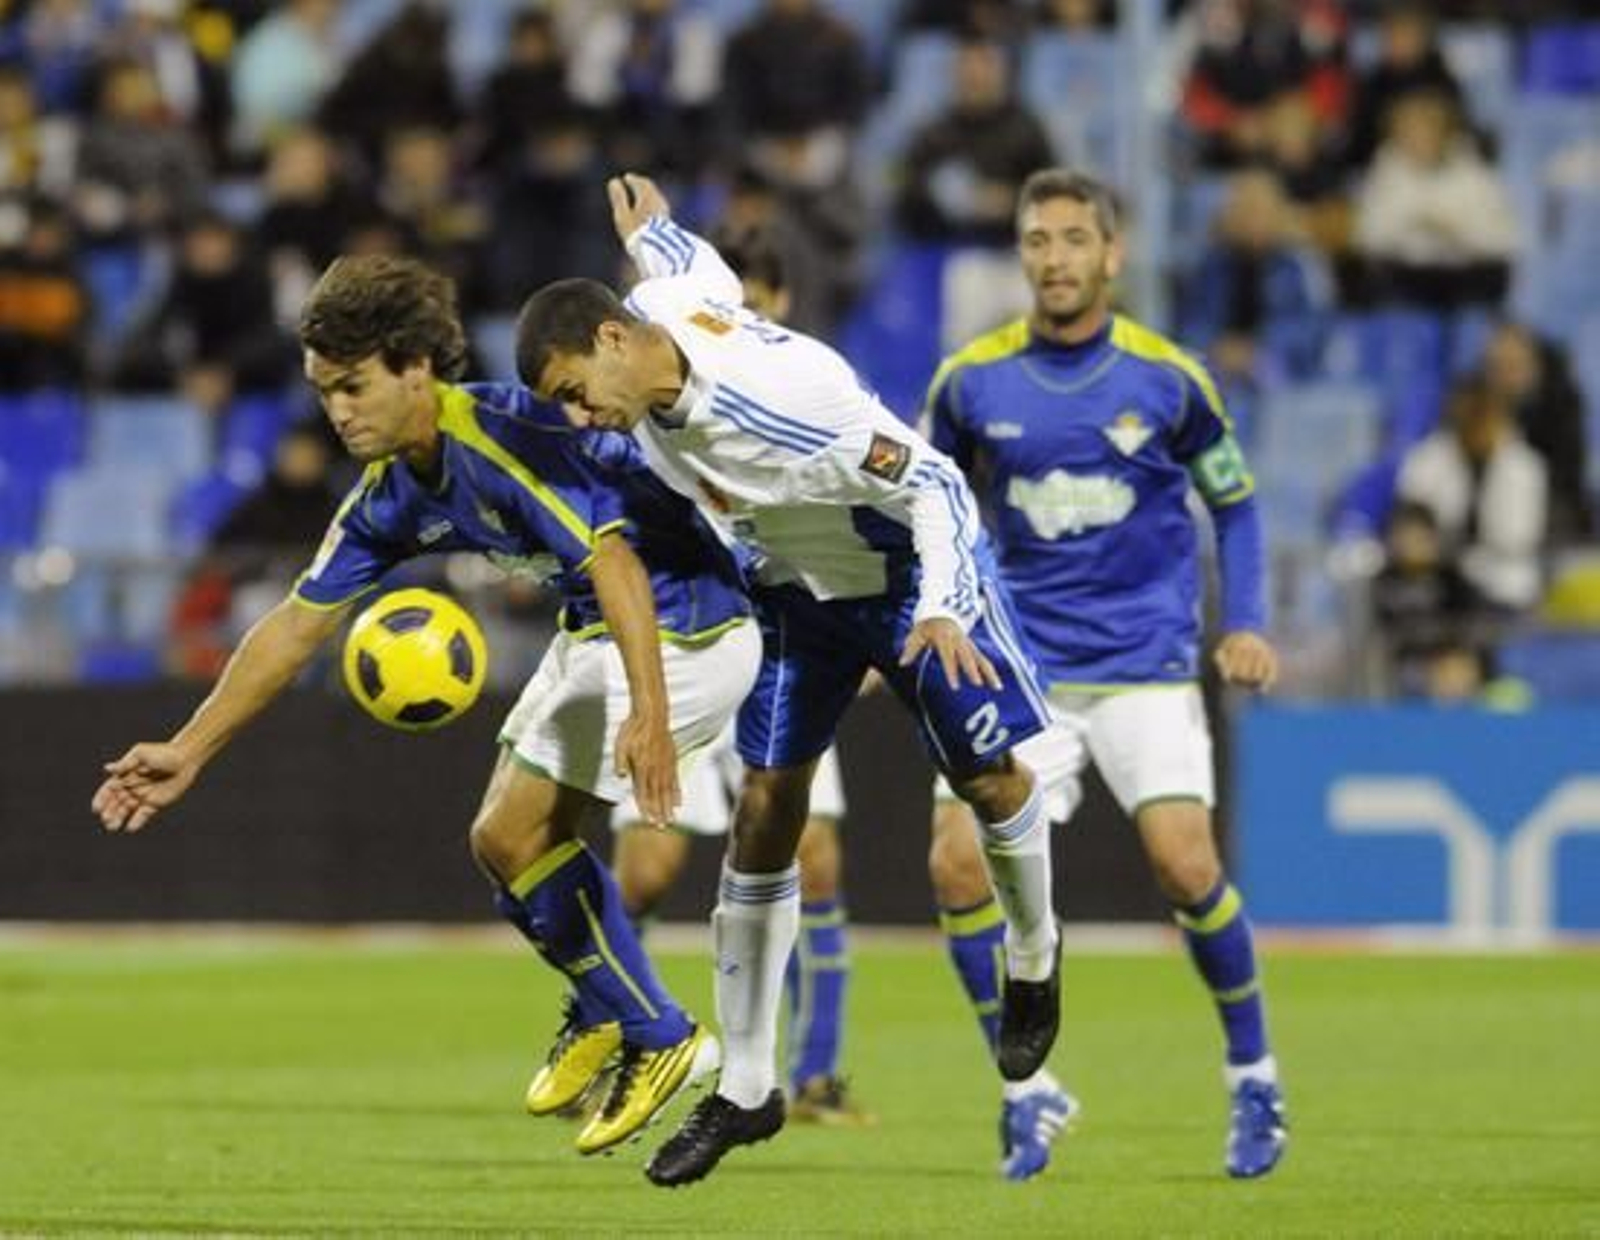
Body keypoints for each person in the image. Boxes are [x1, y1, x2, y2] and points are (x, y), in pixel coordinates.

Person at [90, 253, 763, 1161]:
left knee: (522, 828)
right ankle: (613, 1012)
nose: (338, 410)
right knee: (500, 841)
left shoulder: (501, 435)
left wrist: (649, 713)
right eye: (325, 392)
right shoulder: (391, 494)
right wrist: (190, 749)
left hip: (688, 627)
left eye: (355, 385)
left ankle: (656, 1031)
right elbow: (296, 624)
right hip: (604, 635)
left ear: (417, 366)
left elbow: (617, 563)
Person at [516, 174, 1062, 1188]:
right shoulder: (655, 329)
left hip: (901, 577)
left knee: (991, 781)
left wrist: (942, 604)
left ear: (610, 343)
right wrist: (655, 230)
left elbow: (936, 480)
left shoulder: (782, 406)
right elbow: (692, 271)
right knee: (766, 809)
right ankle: (751, 1087)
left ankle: (1033, 957)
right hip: (794, 598)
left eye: (573, 390)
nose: (580, 416)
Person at [924, 168, 1288, 1179]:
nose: (1054, 259)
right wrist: (923, 616)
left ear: (1112, 255)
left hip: (1144, 664)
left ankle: (1253, 1076)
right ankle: (1024, 1092)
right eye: (1037, 240)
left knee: (1184, 864)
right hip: (1019, 668)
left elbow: (1239, 505)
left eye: (1074, 239)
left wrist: (1246, 621)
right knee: (955, 865)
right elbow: (928, 511)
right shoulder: (968, 384)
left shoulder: (1168, 380)